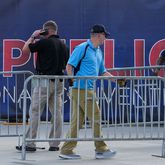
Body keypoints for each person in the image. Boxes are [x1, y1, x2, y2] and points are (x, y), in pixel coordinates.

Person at [59, 24, 119, 159]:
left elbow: (102, 71)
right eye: (104, 36)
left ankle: (67, 150)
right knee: (96, 118)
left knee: (77, 122)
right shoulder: (83, 48)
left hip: (85, 89)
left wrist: (115, 79)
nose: (105, 39)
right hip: (82, 90)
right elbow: (69, 66)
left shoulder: (98, 51)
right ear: (98, 35)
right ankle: (101, 149)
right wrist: (72, 81)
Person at [16, 20, 68, 152]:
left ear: (47, 31)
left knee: (35, 111)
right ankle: (55, 144)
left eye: (43, 32)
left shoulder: (44, 42)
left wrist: (33, 36)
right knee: (57, 113)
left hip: (44, 81)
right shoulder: (63, 46)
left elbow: (25, 50)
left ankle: (30, 143)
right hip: (59, 82)